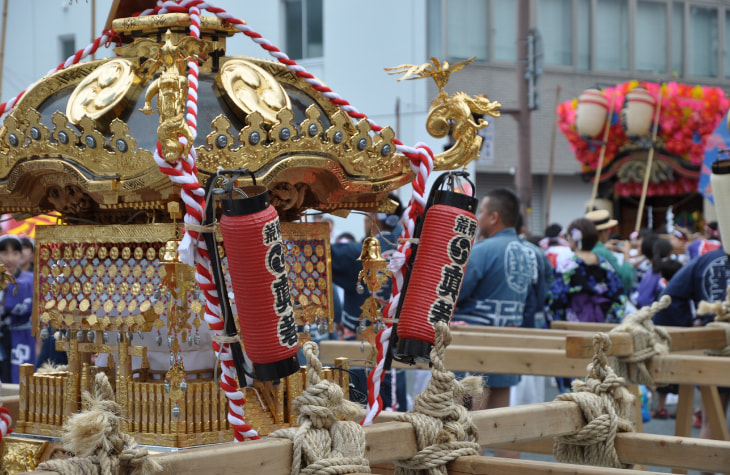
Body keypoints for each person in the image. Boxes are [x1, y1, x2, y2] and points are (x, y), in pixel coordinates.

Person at [453, 188, 532, 458]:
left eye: (482, 212)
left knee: (473, 419)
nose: (478, 217)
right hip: (512, 334)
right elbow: (539, 300)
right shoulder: (533, 252)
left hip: (478, 340)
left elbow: (457, 292)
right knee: (502, 418)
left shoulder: (483, 250)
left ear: (494, 217)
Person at [331, 194, 407, 410]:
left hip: (359, 353)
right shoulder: (409, 254)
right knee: (394, 425)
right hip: (395, 356)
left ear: (373, 217)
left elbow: (316, 255)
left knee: (356, 424)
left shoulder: (358, 253)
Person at [653, 246, 729, 456]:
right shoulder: (706, 260)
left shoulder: (706, 260)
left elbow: (669, 297)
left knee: (712, 421)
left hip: (715, 343)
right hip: (717, 344)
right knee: (712, 422)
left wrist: (688, 329)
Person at [546, 218, 627, 324]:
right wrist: (608, 322)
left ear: (574, 240)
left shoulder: (565, 267)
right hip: (601, 326)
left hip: (570, 328)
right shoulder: (605, 266)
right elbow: (619, 297)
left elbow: (555, 300)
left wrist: (557, 323)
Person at [0, 234, 35, 383]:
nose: (10, 258)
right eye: (4, 253)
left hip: (23, 337)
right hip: (2, 336)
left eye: (15, 253)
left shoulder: (30, 280)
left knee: (19, 381)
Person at [585, 209, 634, 294]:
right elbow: (624, 281)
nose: (609, 232)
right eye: (608, 229)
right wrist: (626, 254)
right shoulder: (604, 253)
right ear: (603, 231)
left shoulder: (585, 249)